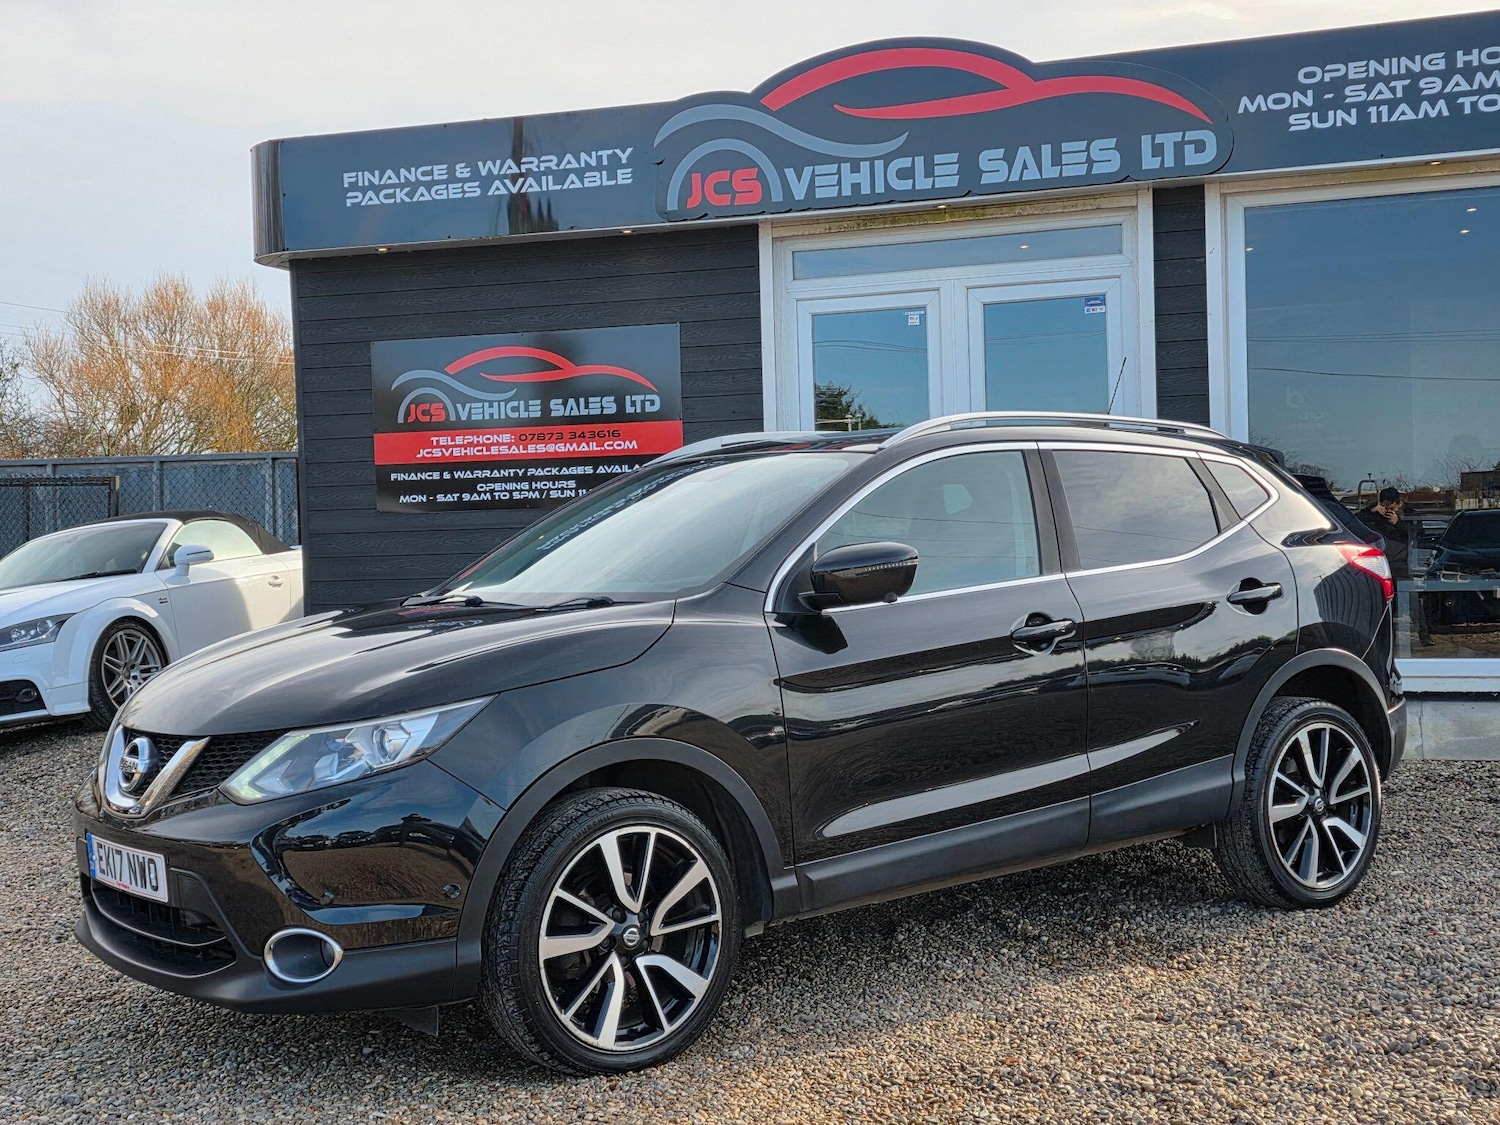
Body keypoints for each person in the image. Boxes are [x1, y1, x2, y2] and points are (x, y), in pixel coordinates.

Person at [1355, 487, 1434, 646]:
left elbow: (1418, 533)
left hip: (1401, 565)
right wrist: (1371, 511)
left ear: (1399, 503)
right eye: (1385, 507)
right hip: (1381, 565)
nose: (1388, 511)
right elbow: (1355, 522)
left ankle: (1424, 635)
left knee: (1413, 603)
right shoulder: (1372, 516)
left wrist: (1398, 523)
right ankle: (1386, 639)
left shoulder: (1409, 515)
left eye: (1391, 508)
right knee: (1385, 606)